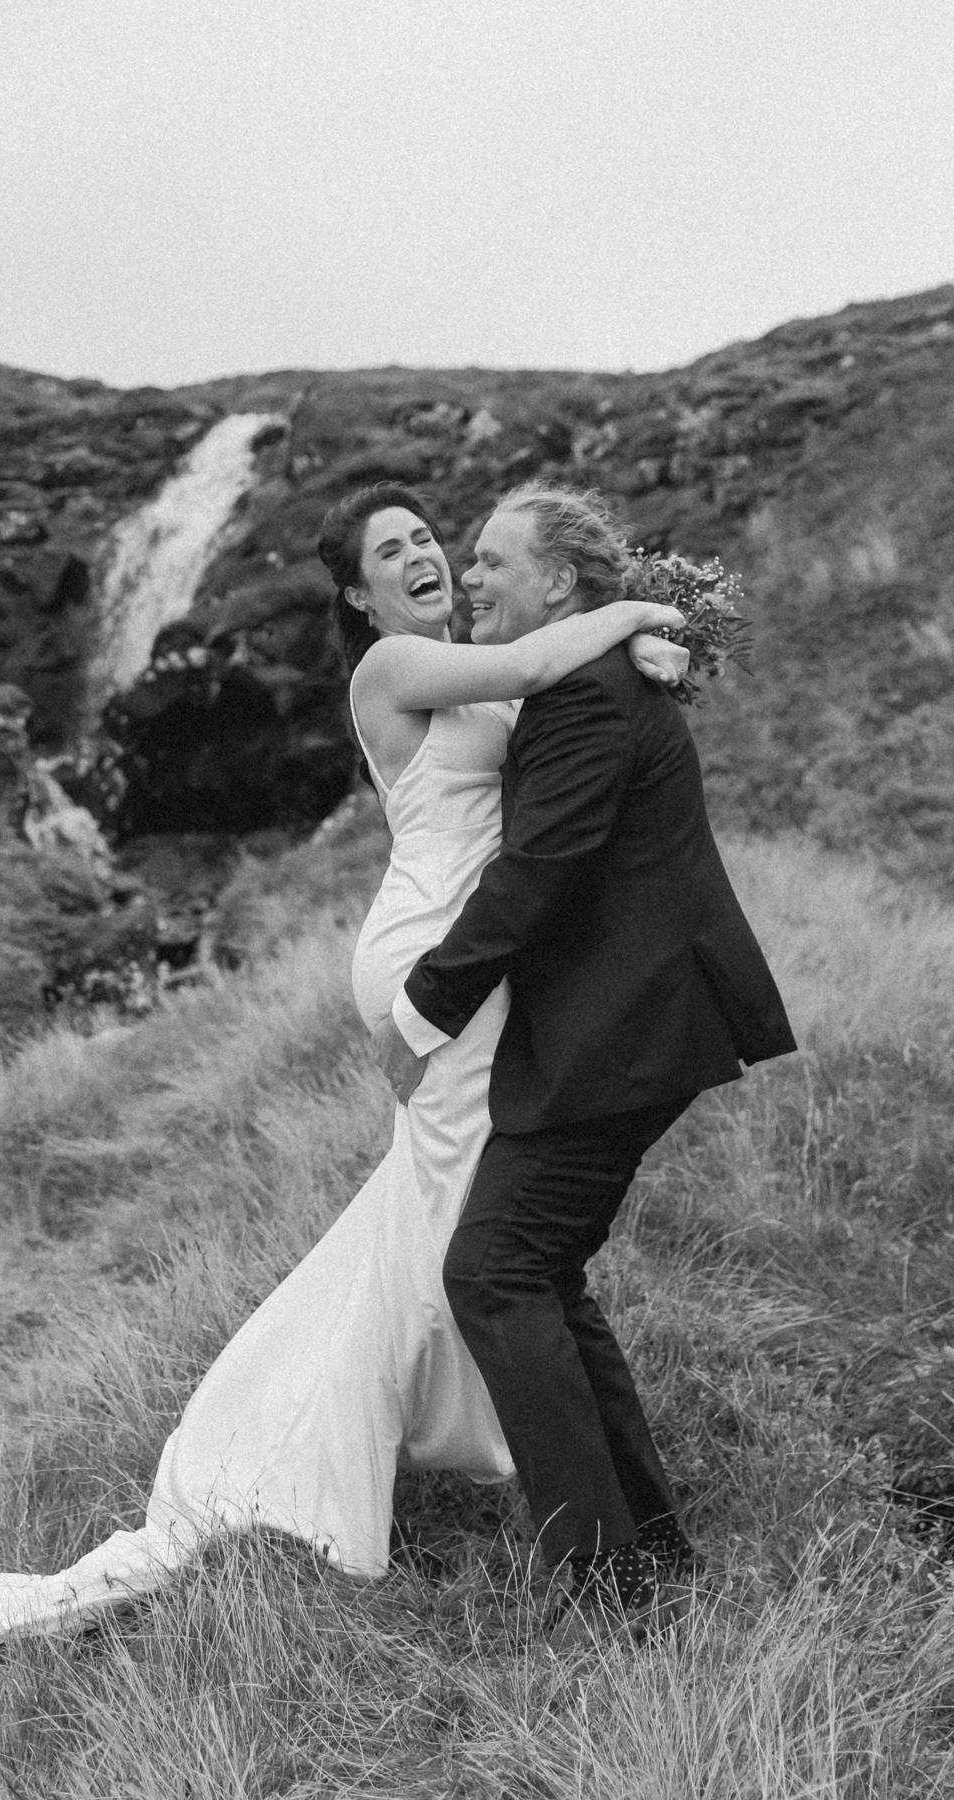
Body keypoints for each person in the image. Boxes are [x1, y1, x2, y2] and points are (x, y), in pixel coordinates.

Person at [0, 481, 689, 1650]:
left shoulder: (467, 653)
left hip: (475, 957)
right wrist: (643, 614)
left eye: (426, 540)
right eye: (387, 552)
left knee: (454, 1217)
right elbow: (546, 663)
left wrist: (642, 642)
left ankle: (486, 1442)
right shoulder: (391, 671)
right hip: (435, 962)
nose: (420, 558)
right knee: (485, 1231)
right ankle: (466, 1460)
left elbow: (552, 685)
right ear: (356, 594)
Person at [372, 480, 796, 1625]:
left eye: (491, 561)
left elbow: (538, 871)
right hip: (619, 1020)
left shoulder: (590, 698)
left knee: (493, 1272)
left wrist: (424, 1011)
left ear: (559, 584)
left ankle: (607, 1585)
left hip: (629, 1025)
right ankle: (646, 1549)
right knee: (538, 1272)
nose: (469, 578)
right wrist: (647, 626)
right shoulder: (589, 676)